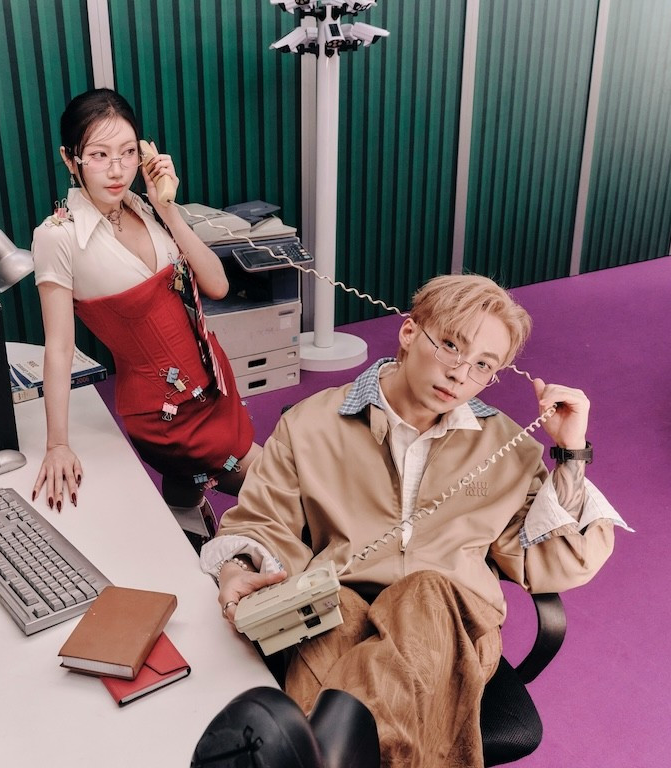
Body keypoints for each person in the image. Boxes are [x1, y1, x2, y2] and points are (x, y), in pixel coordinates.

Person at [200, 274, 631, 767]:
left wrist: (571, 454)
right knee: (337, 618)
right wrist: (238, 567)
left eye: (483, 365)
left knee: (425, 591)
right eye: (451, 345)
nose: (460, 375)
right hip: (338, 607)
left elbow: (555, 561)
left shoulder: (509, 448)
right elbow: (263, 520)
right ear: (409, 332)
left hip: (453, 628)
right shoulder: (311, 423)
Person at [31, 88, 260, 545]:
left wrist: (167, 206)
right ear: (70, 159)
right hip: (166, 415)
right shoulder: (57, 237)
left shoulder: (143, 206)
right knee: (283, 489)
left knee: (194, 484)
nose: (117, 170)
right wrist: (57, 443)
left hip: (211, 384)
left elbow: (217, 285)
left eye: (128, 153)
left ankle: (185, 522)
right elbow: (58, 347)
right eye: (99, 155)